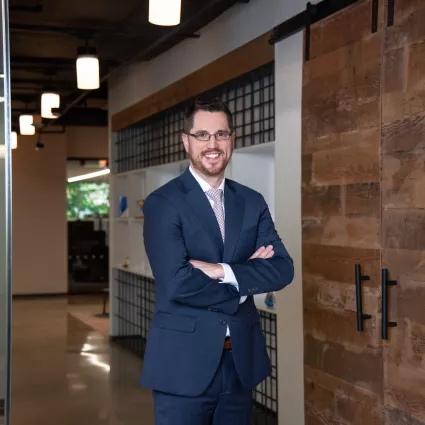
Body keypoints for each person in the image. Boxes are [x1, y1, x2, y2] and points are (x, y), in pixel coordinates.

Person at [140, 97, 294, 425]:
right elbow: (177, 281)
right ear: (186, 141)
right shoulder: (163, 203)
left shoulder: (251, 201)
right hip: (182, 364)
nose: (213, 144)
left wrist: (220, 271)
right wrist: (243, 282)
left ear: (232, 139)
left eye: (221, 134)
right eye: (202, 135)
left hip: (239, 362)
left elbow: (282, 267)